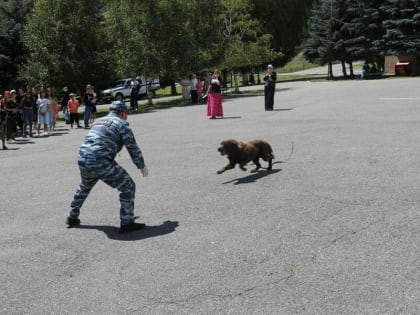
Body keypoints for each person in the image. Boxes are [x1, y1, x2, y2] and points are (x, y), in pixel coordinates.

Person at [66, 100, 149, 233]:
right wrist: (141, 166)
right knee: (128, 186)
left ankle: (72, 216)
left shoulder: (98, 121)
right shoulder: (122, 124)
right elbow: (133, 148)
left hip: (83, 158)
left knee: (84, 186)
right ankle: (127, 222)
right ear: (123, 113)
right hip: (100, 160)